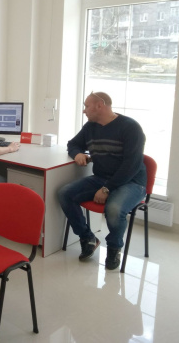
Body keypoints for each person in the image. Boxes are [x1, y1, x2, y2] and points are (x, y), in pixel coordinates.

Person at [58, 92, 147, 270]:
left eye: (86, 106)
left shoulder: (130, 127)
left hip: (131, 182)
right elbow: (72, 144)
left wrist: (107, 188)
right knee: (65, 193)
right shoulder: (90, 127)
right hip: (101, 178)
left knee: (114, 209)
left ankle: (114, 248)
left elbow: (131, 165)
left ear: (100, 105)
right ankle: (87, 238)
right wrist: (77, 153)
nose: (84, 110)